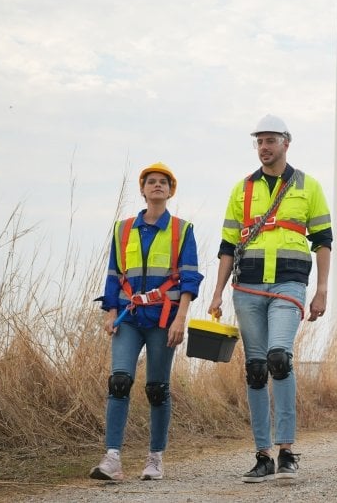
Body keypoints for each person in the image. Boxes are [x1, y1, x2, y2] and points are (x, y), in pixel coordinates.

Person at [207, 114, 332, 484]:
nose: (264, 147)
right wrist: (216, 291)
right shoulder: (241, 190)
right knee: (256, 368)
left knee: (280, 358)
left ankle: (287, 452)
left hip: (289, 286)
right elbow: (228, 246)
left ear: (286, 143)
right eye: (259, 141)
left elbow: (324, 241)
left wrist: (321, 290)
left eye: (270, 140)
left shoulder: (309, 187)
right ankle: (262, 456)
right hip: (246, 288)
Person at [90, 162, 203, 482]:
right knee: (119, 381)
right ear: (142, 190)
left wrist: (181, 318)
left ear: (170, 191)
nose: (156, 186)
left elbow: (190, 279)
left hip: (163, 319)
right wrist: (111, 312)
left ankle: (155, 458)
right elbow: (113, 274)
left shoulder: (183, 229)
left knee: (156, 388)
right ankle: (112, 458)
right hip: (128, 317)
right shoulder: (122, 229)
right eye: (150, 182)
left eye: (162, 183)